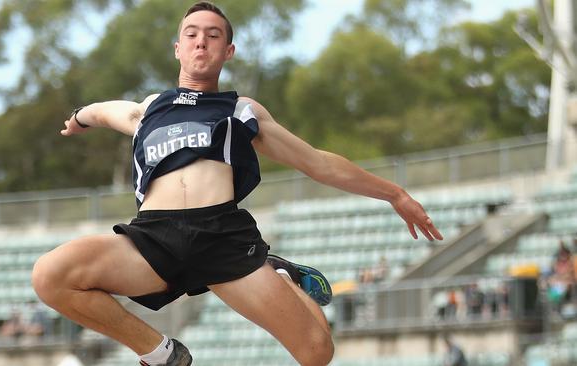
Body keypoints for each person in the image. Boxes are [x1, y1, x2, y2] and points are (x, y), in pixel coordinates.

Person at [31, 2, 443, 365]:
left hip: (221, 238)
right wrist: (78, 117)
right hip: (154, 240)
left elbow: (318, 163)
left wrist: (396, 194)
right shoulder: (149, 110)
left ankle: (279, 276)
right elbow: (102, 111)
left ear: (227, 51)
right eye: (191, 35)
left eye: (213, 36)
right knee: (50, 275)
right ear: (177, 48)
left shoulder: (240, 110)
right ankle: (161, 355)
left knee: (317, 353)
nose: (200, 43)